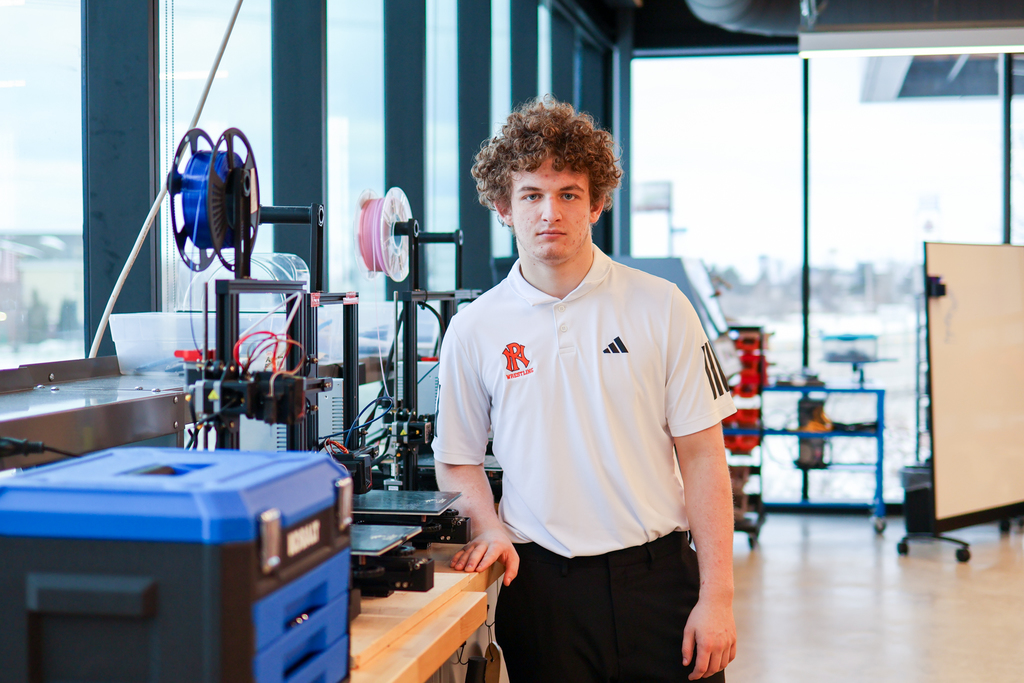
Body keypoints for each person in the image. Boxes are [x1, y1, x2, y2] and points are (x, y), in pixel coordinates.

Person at [432, 96, 738, 682]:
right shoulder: (473, 328)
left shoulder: (662, 306)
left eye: (569, 193)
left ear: (596, 204)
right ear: (502, 205)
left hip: (661, 584)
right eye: (532, 195)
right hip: (544, 592)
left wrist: (717, 596)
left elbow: (703, 457)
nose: (551, 212)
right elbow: (458, 460)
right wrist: (491, 528)